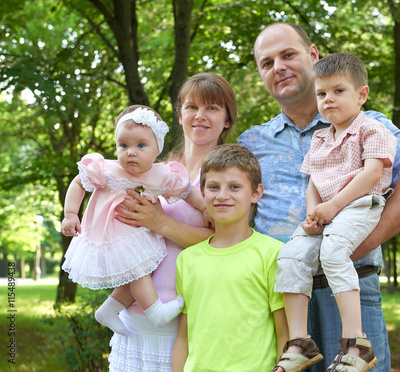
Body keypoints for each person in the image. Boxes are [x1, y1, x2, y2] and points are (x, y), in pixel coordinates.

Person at [239, 22, 400, 372]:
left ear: (312, 56)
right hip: (278, 297)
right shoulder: (252, 141)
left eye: (288, 54)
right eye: (266, 62)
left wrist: (357, 245)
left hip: (349, 287)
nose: (278, 67)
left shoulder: (367, 124)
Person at [105, 73, 238, 371]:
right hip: (132, 319)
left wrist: (160, 223)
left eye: (212, 108)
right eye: (192, 107)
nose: (200, 116)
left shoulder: (227, 174)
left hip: (180, 321)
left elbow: (229, 243)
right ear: (179, 115)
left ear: (227, 120)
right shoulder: (155, 168)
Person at [272, 52, 397, 372]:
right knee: (290, 256)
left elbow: (371, 175)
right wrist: (315, 214)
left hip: (358, 205)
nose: (328, 99)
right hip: (327, 211)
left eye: (338, 91)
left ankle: (356, 344)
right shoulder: (321, 137)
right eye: (322, 93)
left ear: (361, 94)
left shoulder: (373, 130)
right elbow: (313, 181)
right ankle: (300, 342)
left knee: (333, 252)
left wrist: (333, 206)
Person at [61, 105, 206, 335]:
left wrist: (205, 207)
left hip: (137, 233)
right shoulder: (107, 168)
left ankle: (110, 308)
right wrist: (70, 213)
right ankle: (156, 311)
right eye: (123, 145)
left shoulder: (162, 174)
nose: (131, 152)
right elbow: (79, 182)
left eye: (141, 145)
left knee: (141, 270)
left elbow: (187, 191)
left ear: (157, 149)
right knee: (138, 271)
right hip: (111, 234)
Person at [172, 144, 288, 372]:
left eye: (234, 187)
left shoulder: (273, 253)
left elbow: (285, 335)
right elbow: (184, 337)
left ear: (256, 193)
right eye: (213, 187)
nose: (222, 196)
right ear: (203, 193)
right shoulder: (187, 259)